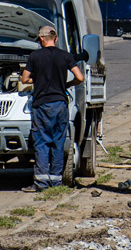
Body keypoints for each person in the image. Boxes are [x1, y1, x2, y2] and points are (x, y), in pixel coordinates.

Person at [20, 24, 84, 191]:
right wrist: (67, 84)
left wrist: (38, 79)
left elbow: (24, 79)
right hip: (60, 104)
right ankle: (56, 182)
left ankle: (41, 183)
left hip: (42, 105)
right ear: (55, 39)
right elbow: (80, 77)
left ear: (41, 39)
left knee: (42, 143)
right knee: (58, 141)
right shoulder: (65, 56)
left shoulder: (34, 56)